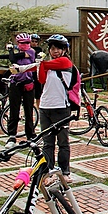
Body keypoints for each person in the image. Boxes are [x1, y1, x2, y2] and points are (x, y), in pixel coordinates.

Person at [37, 34, 75, 183]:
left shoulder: (65, 62)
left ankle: (65, 171)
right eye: (52, 48)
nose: (55, 51)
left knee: (63, 142)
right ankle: (48, 172)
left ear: (64, 50)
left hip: (61, 107)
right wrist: (41, 65)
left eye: (58, 48)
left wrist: (41, 63)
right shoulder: (48, 65)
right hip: (45, 106)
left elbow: (44, 66)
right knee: (48, 143)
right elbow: (41, 79)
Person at [0, 33, 36, 148]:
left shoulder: (31, 52)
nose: (25, 45)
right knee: (14, 110)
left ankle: (30, 135)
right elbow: (11, 57)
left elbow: (12, 58)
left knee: (28, 110)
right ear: (19, 43)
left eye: (27, 42)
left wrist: (11, 49)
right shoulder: (18, 52)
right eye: (22, 43)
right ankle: (12, 136)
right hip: (15, 84)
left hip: (28, 84)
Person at [30, 33, 45, 108]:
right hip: (28, 72)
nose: (34, 43)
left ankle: (38, 107)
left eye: (36, 42)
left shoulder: (39, 49)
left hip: (36, 72)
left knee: (38, 92)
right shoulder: (26, 49)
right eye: (32, 41)